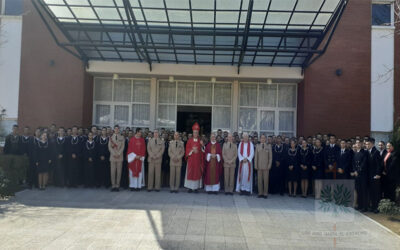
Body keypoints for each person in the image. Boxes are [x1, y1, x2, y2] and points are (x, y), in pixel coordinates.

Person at [184, 122, 204, 193]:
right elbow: (187, 149)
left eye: (197, 132)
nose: (195, 134)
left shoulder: (200, 141)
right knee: (190, 173)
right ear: (193, 133)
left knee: (196, 173)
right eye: (194, 132)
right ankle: (189, 187)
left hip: (197, 161)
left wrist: (202, 145)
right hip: (191, 160)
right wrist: (192, 150)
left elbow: (203, 151)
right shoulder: (189, 141)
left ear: (198, 133)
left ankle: (196, 188)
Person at [351, 140, 368, 212]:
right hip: (357, 175)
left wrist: (358, 171)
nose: (358, 144)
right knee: (358, 191)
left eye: (359, 143)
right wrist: (355, 171)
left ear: (361, 144)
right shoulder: (355, 153)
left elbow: (364, 163)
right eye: (356, 143)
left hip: (362, 175)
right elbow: (353, 163)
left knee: (363, 191)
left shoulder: (364, 152)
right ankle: (360, 205)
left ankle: (365, 207)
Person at [366, 138, 382, 213]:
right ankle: (372, 206)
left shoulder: (376, 152)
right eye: (366, 144)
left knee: (375, 192)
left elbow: (379, 165)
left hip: (375, 176)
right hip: (369, 176)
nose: (367, 145)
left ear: (372, 144)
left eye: (368, 144)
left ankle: (376, 208)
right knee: (370, 192)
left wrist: (378, 174)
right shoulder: (367, 152)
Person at [254, 134, 272, 198]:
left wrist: (269, 165)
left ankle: (265, 193)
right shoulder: (257, 146)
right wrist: (255, 165)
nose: (263, 139)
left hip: (266, 166)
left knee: (266, 180)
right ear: (260, 139)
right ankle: (260, 193)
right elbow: (256, 157)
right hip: (259, 166)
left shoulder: (269, 146)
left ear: (266, 139)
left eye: (264, 138)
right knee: (259, 180)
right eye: (262, 138)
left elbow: (270, 157)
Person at [108, 125, 125, 192]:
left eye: (118, 129)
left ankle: (117, 185)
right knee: (112, 172)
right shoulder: (111, 137)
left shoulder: (122, 137)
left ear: (119, 129)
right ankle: (113, 185)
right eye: (115, 129)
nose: (117, 130)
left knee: (119, 172)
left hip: (119, 156)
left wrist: (118, 153)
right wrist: (114, 153)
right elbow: (109, 147)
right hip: (113, 156)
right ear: (114, 130)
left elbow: (123, 146)